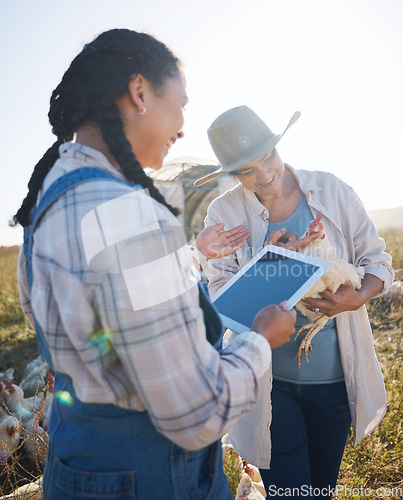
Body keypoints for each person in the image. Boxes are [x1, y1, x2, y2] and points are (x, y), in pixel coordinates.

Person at [13, 30, 297, 500]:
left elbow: (95, 301)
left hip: (78, 467)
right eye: (180, 103)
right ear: (140, 92)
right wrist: (259, 340)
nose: (183, 124)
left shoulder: (50, 195)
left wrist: (190, 255)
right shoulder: (127, 210)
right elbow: (194, 413)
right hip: (155, 476)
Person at [195, 106, 394, 499]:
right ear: (232, 176)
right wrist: (269, 266)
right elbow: (221, 303)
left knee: (320, 489)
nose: (265, 174)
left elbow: (378, 263)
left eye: (268, 157)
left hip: (332, 379)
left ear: (277, 145)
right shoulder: (224, 214)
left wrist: (356, 298)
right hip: (271, 384)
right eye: (248, 170)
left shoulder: (332, 191)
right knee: (291, 494)